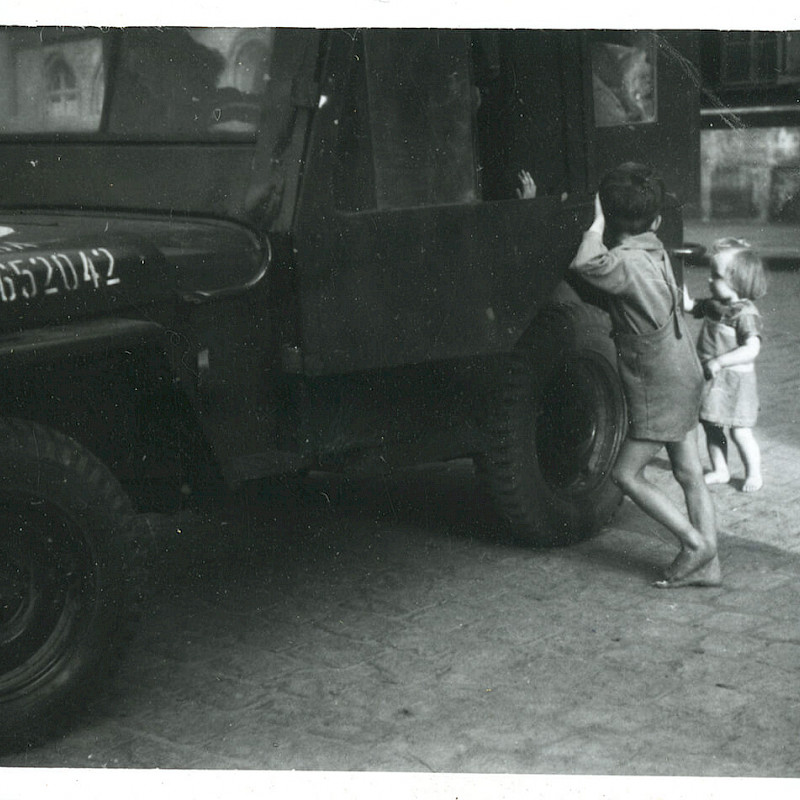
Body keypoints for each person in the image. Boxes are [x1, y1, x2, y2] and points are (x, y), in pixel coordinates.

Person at [569, 162, 720, 588]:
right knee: (689, 473)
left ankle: (695, 545)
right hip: (684, 371)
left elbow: (585, 262)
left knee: (625, 474)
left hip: (659, 384)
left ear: (610, 218)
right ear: (655, 221)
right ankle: (710, 564)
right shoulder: (657, 250)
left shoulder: (624, 263)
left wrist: (596, 224)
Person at [683, 237, 767, 492]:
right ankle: (721, 469)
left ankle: (754, 472)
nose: (709, 280)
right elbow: (688, 305)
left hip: (735, 383)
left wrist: (720, 361)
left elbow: (752, 348)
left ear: (736, 282)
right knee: (712, 425)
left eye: (716, 276)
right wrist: (677, 284)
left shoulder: (746, 314)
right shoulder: (713, 305)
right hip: (712, 378)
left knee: (740, 431)